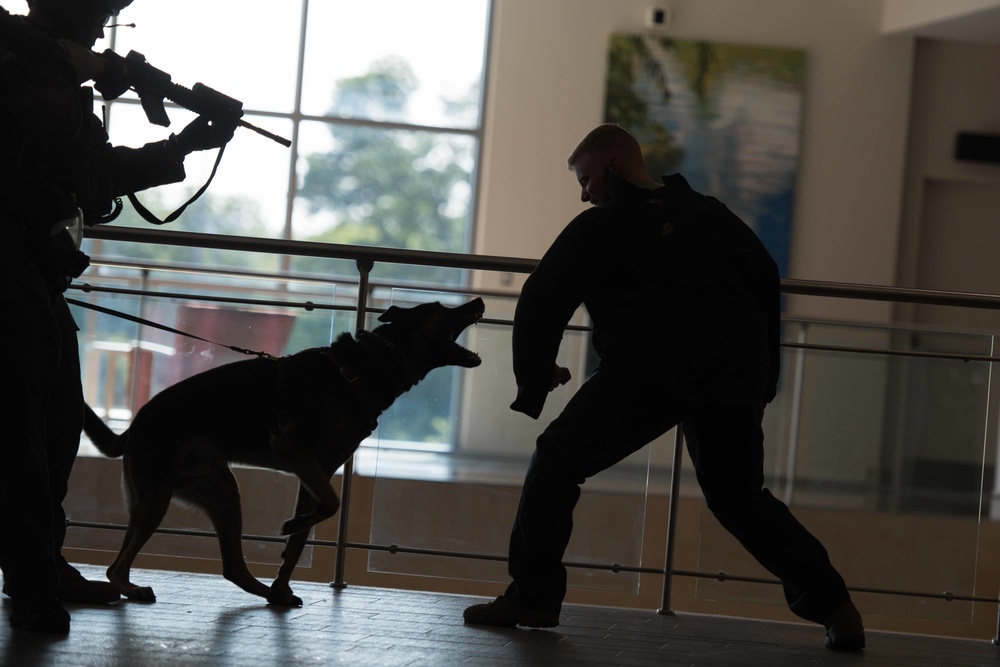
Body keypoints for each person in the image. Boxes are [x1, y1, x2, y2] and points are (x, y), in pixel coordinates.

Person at [462, 124, 865, 651]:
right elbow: (767, 286)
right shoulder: (713, 216)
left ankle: (533, 596)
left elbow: (542, 299)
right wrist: (763, 380)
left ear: (611, 166)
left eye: (585, 179)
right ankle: (837, 607)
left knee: (557, 459)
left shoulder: (604, 225)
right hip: (729, 376)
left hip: (647, 373)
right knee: (740, 499)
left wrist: (537, 377)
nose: (584, 194)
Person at [0, 0, 236, 633]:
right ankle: (31, 581)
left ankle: (41, 564)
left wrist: (183, 144)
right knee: (22, 441)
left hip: (37, 276)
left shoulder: (63, 85)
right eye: (98, 13)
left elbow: (93, 177)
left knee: (52, 433)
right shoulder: (18, 57)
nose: (104, 25)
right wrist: (80, 68)